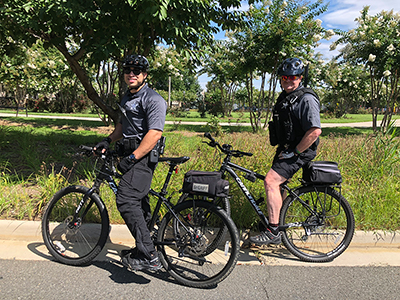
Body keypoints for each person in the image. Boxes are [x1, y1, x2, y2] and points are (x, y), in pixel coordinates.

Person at [94, 54, 167, 271]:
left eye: (137, 71)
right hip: (130, 156)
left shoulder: (153, 99)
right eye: (128, 71)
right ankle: (142, 246)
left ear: (145, 75)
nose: (131, 74)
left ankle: (149, 256)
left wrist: (133, 158)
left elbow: (154, 133)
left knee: (126, 199)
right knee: (139, 204)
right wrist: (108, 140)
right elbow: (121, 127)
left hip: (142, 159)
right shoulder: (127, 98)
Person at [249, 58, 322, 245]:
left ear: (300, 78)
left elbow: (314, 132)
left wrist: (296, 152)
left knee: (270, 181)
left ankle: (273, 232)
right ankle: (276, 224)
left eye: (293, 77)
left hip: (301, 150)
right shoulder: (285, 97)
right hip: (288, 148)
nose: (288, 80)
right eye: (284, 77)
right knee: (278, 186)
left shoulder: (306, 99)